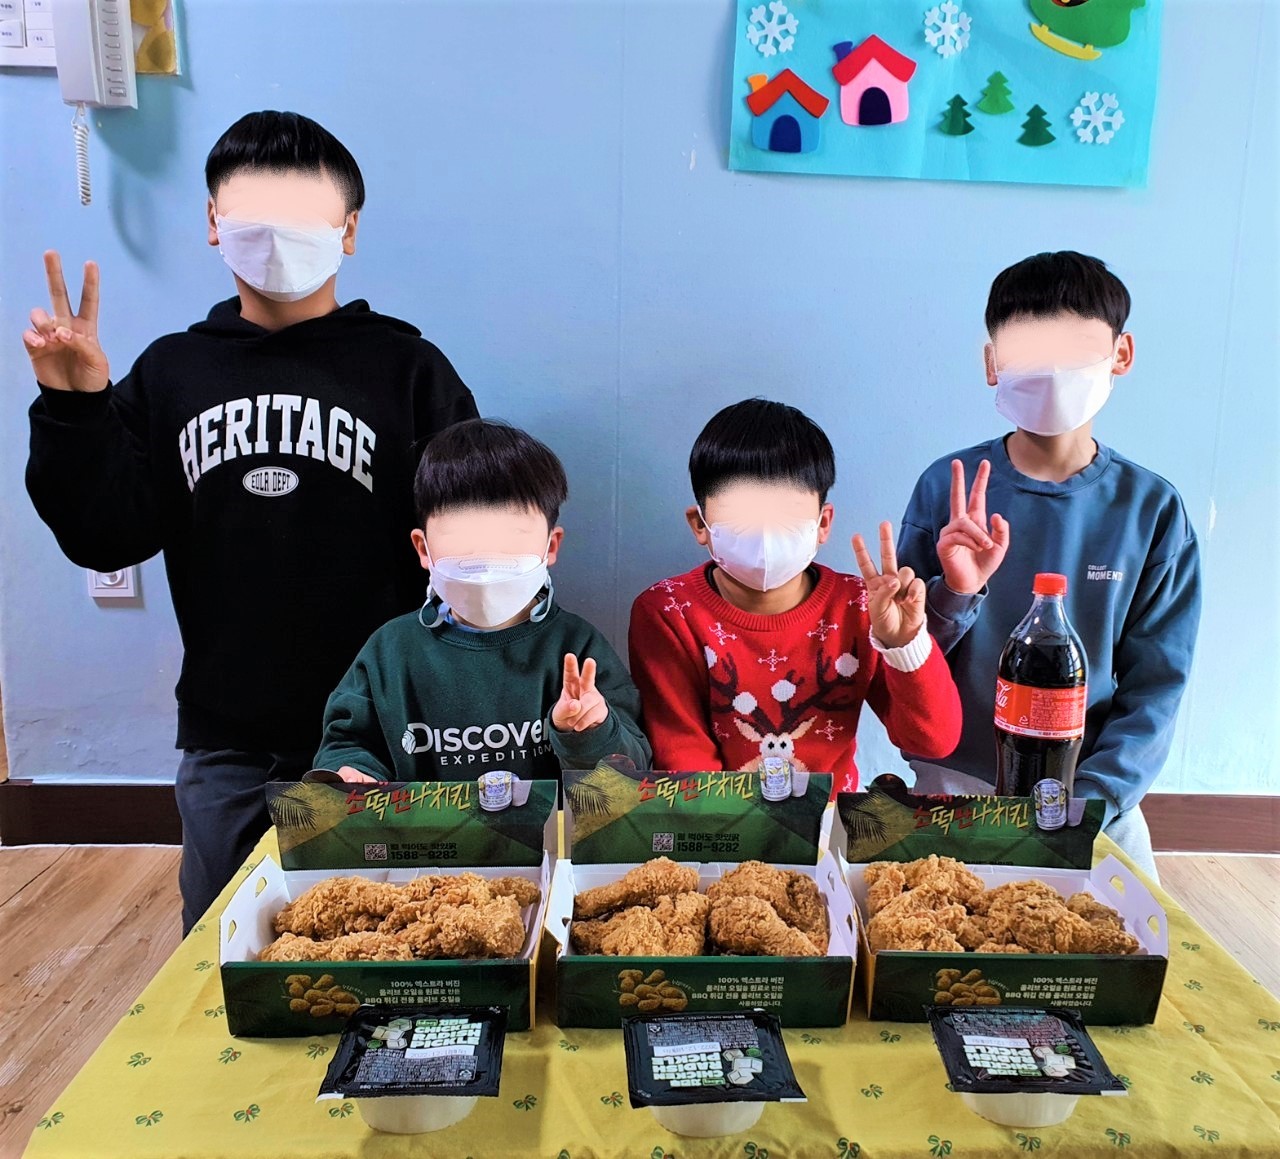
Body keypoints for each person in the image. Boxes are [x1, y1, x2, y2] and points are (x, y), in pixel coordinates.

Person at [22, 111, 478, 932]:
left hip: (386, 730)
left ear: (348, 230)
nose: (275, 238)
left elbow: (468, 549)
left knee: (394, 944)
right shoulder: (171, 371)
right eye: (253, 216)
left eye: (300, 216)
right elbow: (104, 534)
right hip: (231, 742)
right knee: (226, 949)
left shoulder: (411, 370)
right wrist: (75, 406)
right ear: (213, 223)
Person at [897, 251, 1202, 877]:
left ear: (1120, 354)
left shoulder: (1150, 510)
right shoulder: (948, 489)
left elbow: (1155, 685)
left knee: (1136, 931)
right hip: (955, 784)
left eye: (1075, 349)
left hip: (1091, 795)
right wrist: (955, 593)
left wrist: (1091, 802)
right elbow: (904, 661)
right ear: (992, 363)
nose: (1052, 372)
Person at [628, 398, 961, 792]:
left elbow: (932, 741)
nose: (766, 532)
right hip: (716, 819)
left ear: (823, 523)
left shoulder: (861, 607)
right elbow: (685, 760)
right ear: (700, 525)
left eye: (787, 512)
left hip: (829, 821)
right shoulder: (668, 611)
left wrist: (905, 644)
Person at [316, 419, 651, 782]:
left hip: (551, 822)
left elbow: (630, 771)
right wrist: (353, 774)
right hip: (426, 823)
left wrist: (591, 730)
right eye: (462, 539)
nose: (487, 560)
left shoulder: (578, 649)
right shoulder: (390, 652)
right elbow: (348, 744)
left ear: (550, 546)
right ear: (423, 549)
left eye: (511, 537)